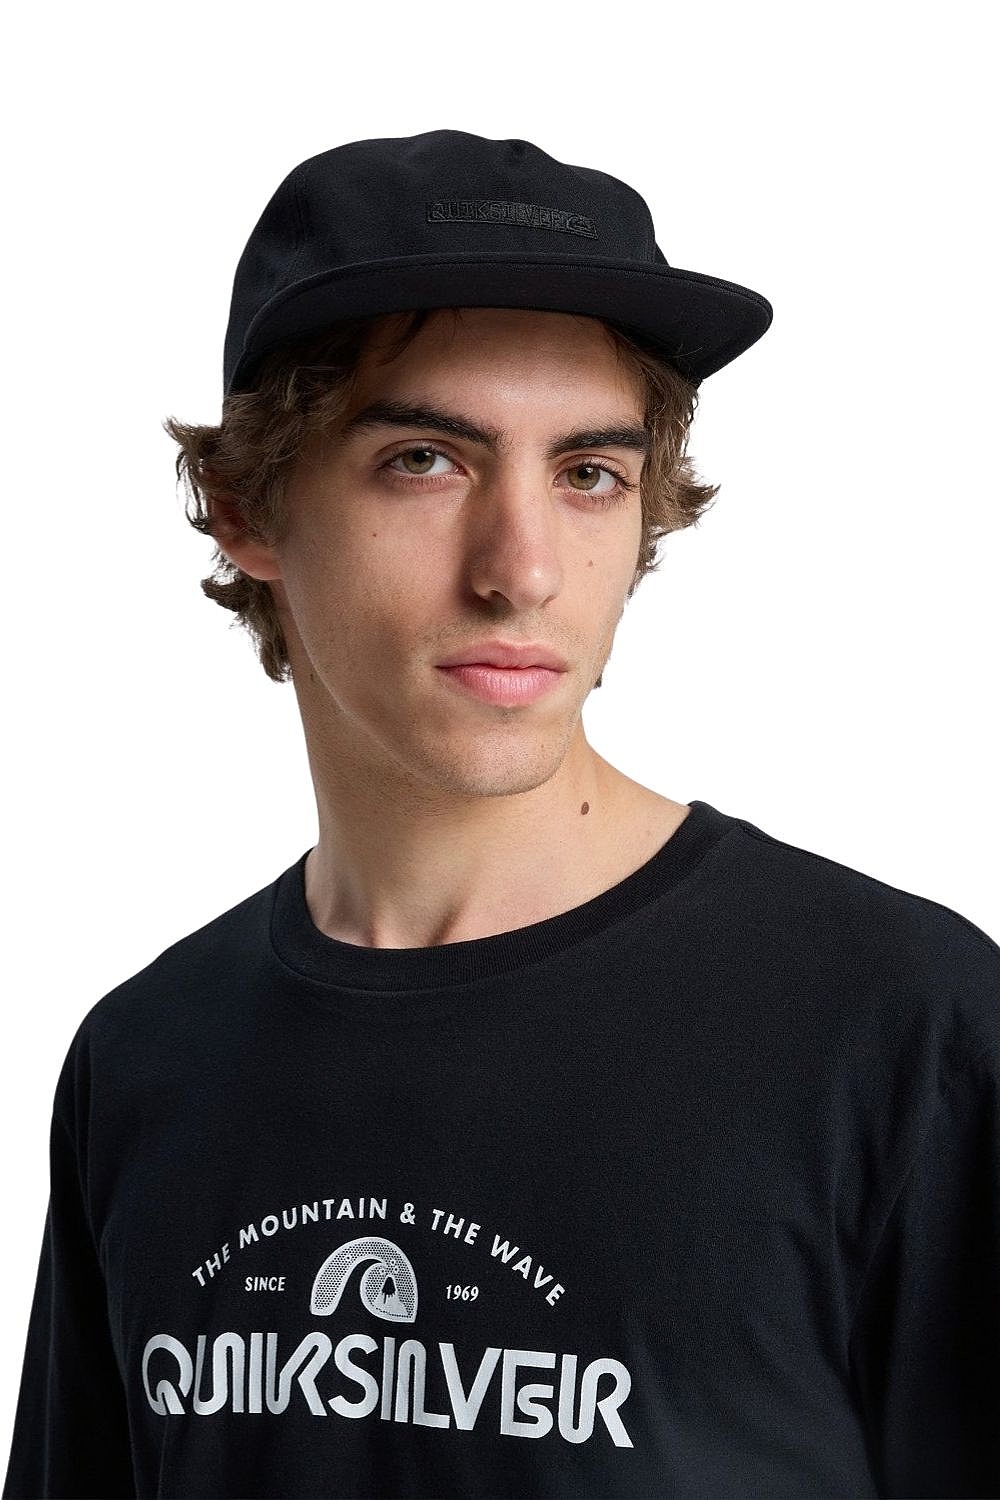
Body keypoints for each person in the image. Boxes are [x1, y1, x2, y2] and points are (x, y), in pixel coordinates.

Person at [3, 129, 998, 1500]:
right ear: (245, 506)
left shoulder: (907, 1035)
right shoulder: (145, 1062)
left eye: (588, 474)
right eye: (426, 458)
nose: (522, 571)